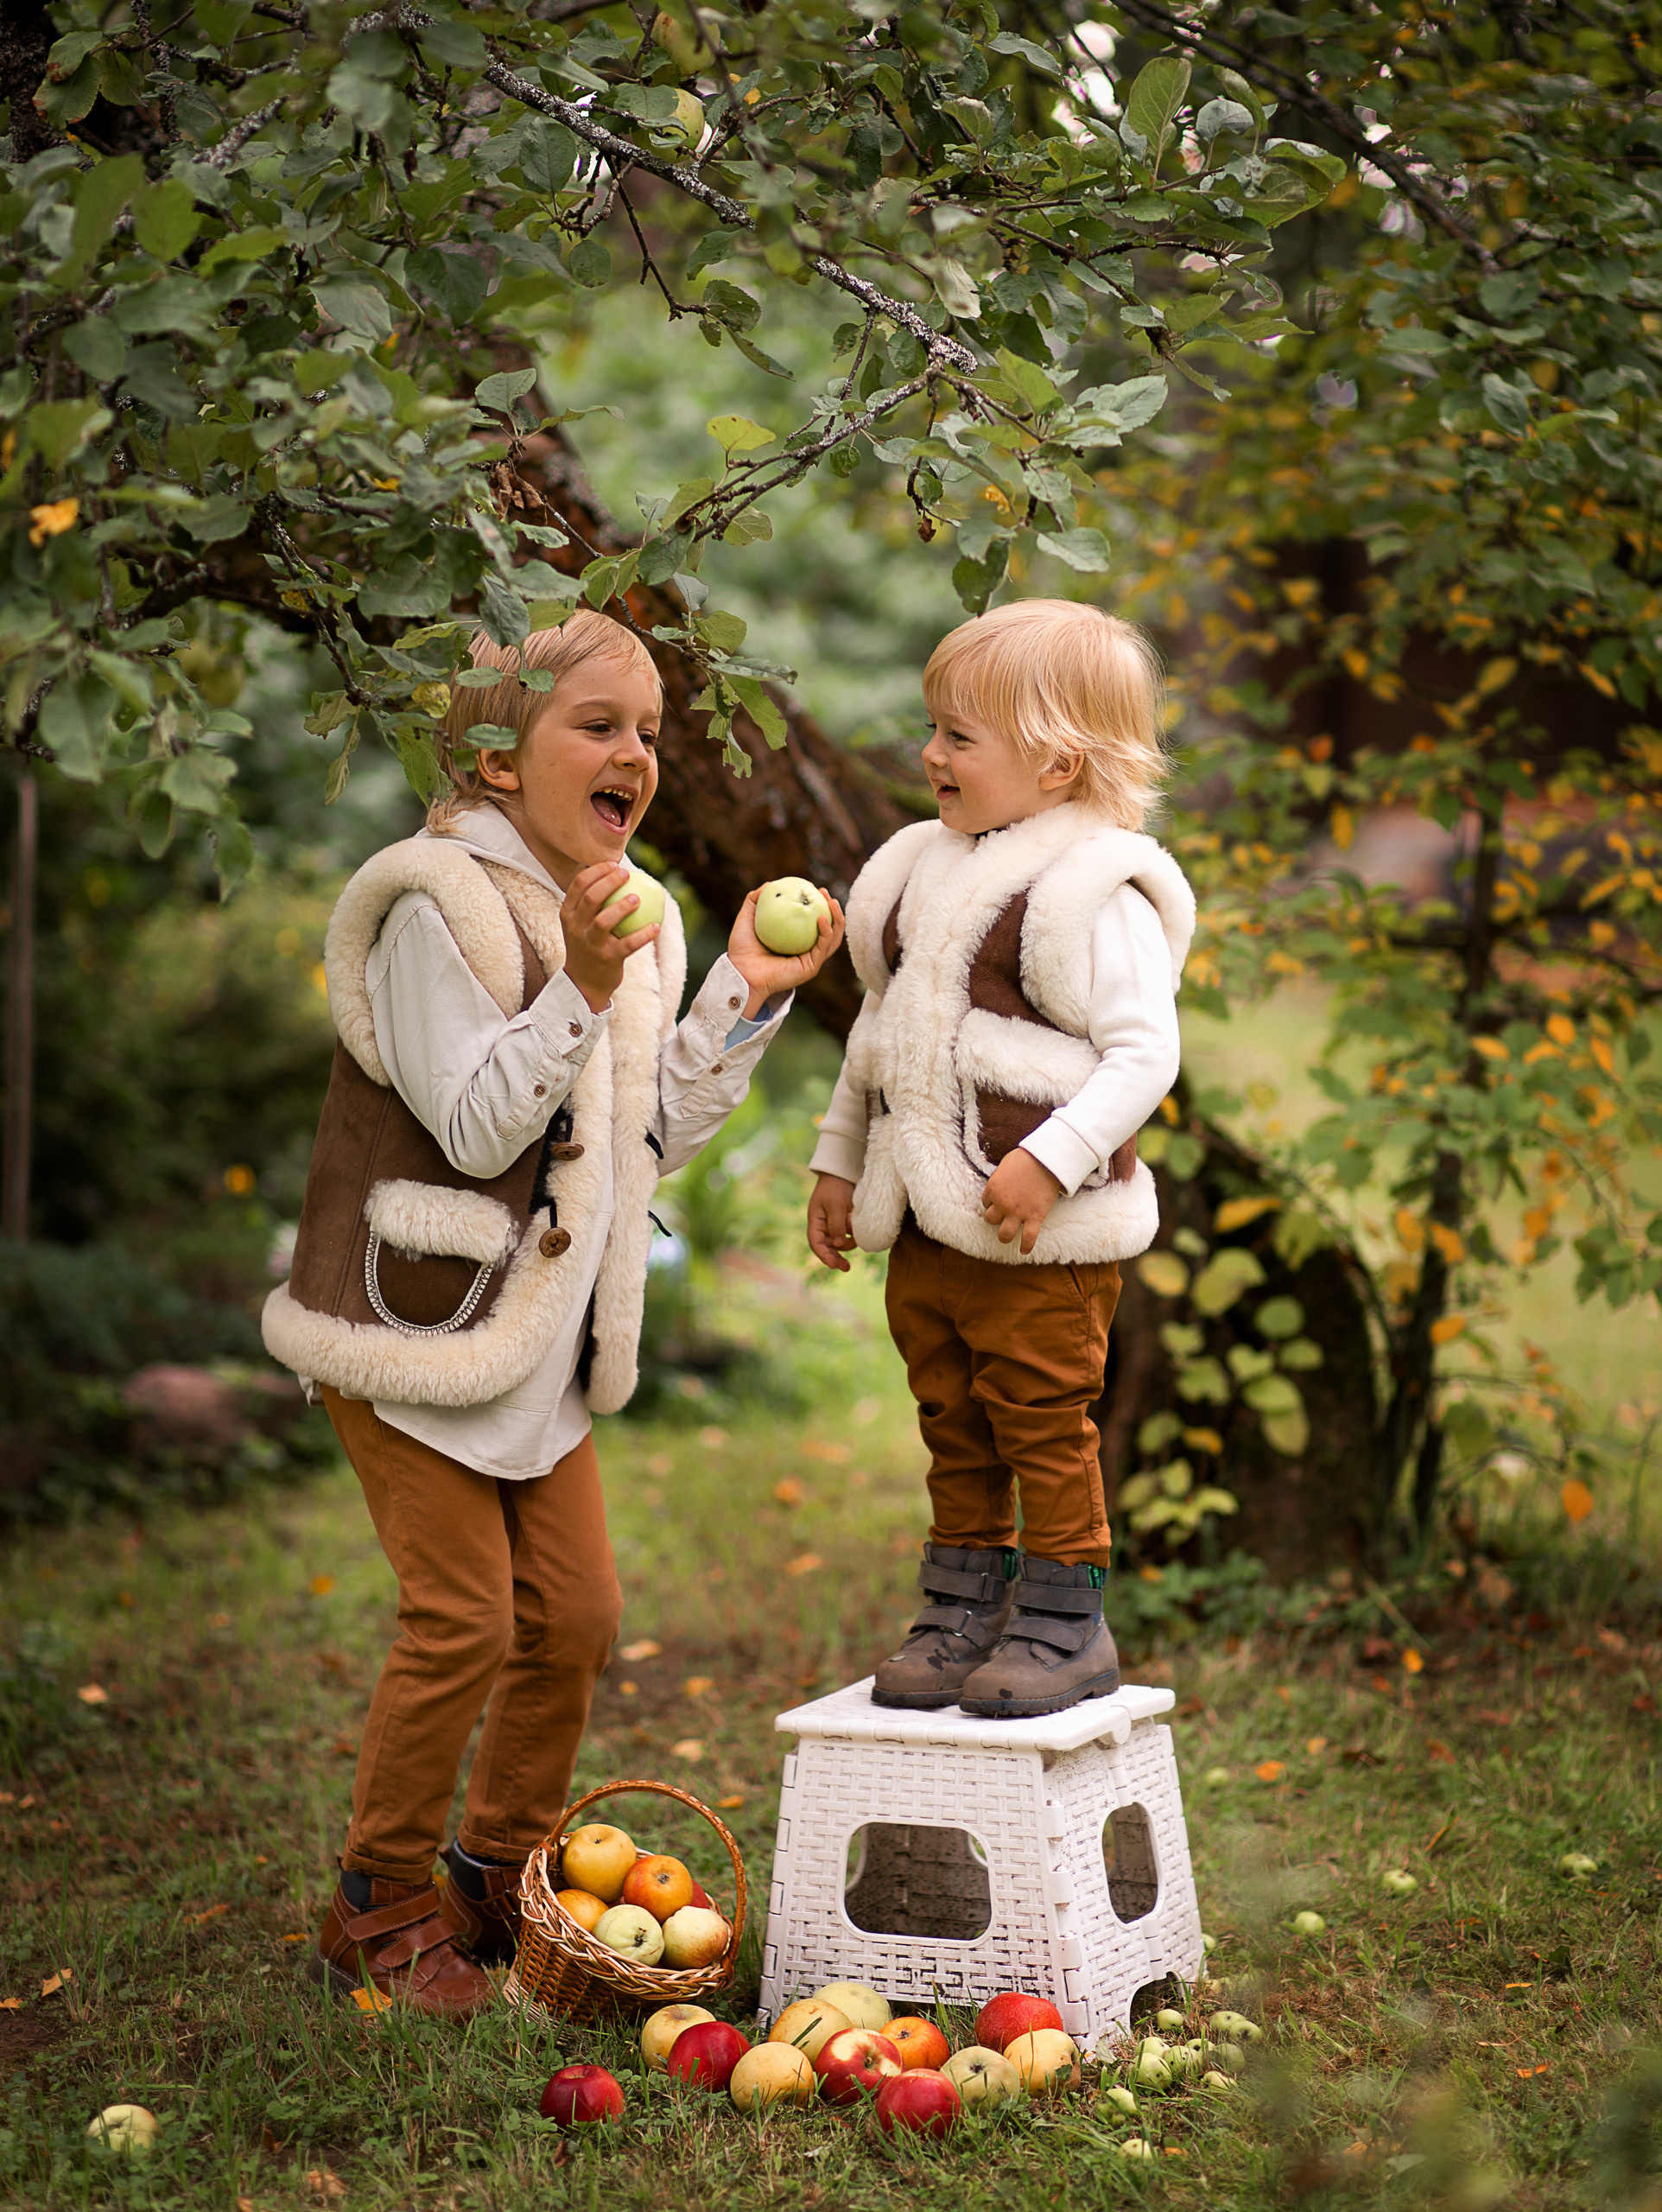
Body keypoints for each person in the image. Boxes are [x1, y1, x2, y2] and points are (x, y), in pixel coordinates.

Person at [264, 611, 843, 2015]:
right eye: (600, 725)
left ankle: (492, 1873)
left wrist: (738, 1000)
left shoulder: (625, 909)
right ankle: (378, 1898)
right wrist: (582, 980)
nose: (636, 755)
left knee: (574, 1619)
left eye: (647, 732)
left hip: (534, 1350)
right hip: (412, 1340)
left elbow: (641, 1135)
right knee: (460, 1618)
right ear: (489, 755)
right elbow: (472, 1128)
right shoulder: (434, 904)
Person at [805, 599, 1194, 1719]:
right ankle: (962, 1606)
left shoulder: (1088, 888)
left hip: (1037, 1234)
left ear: (1058, 759)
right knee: (952, 1417)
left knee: (1038, 1415)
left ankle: (1067, 1621)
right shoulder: (927, 868)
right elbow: (881, 1037)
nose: (930, 754)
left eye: (958, 736)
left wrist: (1058, 1158)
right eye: (934, 728)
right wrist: (842, 1161)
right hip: (930, 1227)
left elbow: (1142, 1053)